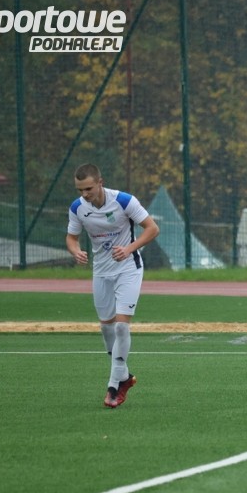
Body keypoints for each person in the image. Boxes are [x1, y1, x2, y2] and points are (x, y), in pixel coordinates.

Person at [66, 163, 160, 408]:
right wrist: (75, 251)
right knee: (106, 328)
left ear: (100, 182)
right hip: (101, 272)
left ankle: (113, 386)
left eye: (88, 188)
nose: (84, 194)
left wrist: (129, 249)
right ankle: (125, 377)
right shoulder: (77, 207)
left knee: (120, 327)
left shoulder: (124, 201)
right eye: (80, 190)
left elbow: (152, 229)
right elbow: (72, 237)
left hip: (128, 269)